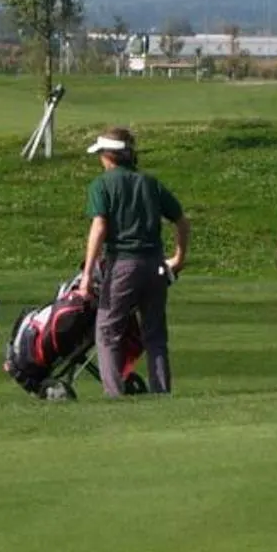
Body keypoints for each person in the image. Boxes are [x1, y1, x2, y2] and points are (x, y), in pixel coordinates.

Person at [77, 126, 189, 397]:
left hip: (123, 265)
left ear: (108, 156)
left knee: (107, 330)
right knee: (155, 335)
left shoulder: (102, 184)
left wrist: (87, 274)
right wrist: (178, 258)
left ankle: (114, 394)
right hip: (155, 265)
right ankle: (161, 392)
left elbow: (100, 226)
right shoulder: (149, 183)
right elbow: (181, 221)